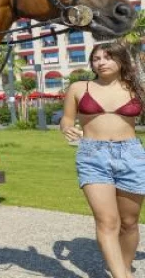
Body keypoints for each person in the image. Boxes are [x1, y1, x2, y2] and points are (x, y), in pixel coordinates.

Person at [60, 42, 145, 278]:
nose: (101, 62)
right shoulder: (79, 87)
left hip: (132, 156)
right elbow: (66, 120)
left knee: (129, 222)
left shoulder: (136, 88)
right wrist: (67, 128)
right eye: (96, 58)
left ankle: (124, 268)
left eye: (107, 57)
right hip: (92, 156)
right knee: (107, 221)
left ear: (121, 61)